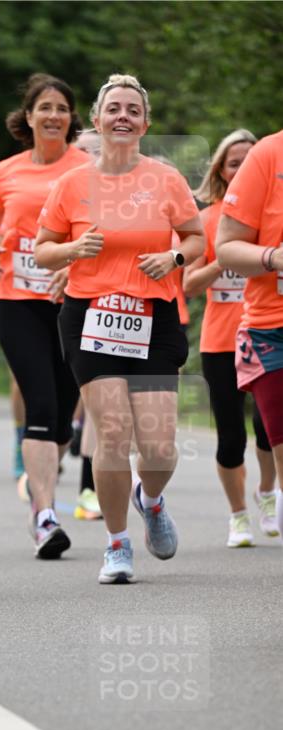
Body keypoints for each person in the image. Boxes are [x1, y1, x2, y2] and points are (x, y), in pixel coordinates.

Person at [35, 73, 204, 583]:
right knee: (111, 431)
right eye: (114, 108)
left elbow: (195, 239)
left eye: (133, 109)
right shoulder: (70, 184)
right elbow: (43, 251)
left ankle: (150, 500)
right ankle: (116, 544)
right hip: (91, 314)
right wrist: (73, 249)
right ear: (97, 119)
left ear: (145, 123)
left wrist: (173, 257)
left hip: (153, 315)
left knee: (159, 447)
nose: (123, 116)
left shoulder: (166, 180)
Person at [0, 73, 89, 558]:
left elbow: (103, 231)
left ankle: (39, 477)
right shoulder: (7, 171)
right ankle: (44, 516)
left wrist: (74, 264)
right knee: (40, 402)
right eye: (44, 107)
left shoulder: (87, 168)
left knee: (63, 417)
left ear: (71, 118)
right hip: (18, 301)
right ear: (28, 116)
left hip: (75, 302)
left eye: (61, 108)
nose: (53, 115)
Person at [184, 130, 277, 546]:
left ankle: (267, 493)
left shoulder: (268, 210)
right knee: (231, 435)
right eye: (233, 162)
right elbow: (188, 285)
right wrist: (226, 259)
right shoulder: (209, 220)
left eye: (248, 160)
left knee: (268, 427)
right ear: (221, 170)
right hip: (221, 342)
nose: (241, 168)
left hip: (263, 331)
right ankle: (238, 515)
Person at [216, 129, 283, 542]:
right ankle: (243, 510)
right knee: (238, 435)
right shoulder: (268, 155)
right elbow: (225, 248)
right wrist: (274, 257)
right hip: (272, 329)